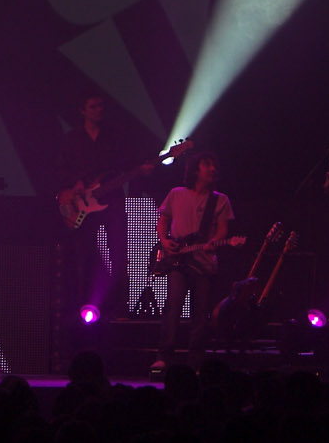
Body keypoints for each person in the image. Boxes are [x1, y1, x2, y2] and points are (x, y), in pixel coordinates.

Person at [55, 93, 156, 328]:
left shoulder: (114, 137)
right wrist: (76, 182)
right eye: (93, 106)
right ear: (82, 110)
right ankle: (81, 306)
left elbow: (128, 165)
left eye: (101, 106)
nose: (99, 109)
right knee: (85, 254)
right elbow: (59, 169)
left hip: (113, 199)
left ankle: (117, 307)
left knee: (119, 253)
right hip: (83, 203)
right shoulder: (72, 139)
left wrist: (142, 170)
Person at [153, 151, 233, 367]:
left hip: (203, 263)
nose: (212, 169)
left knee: (200, 312)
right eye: (207, 164)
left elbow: (223, 230)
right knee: (173, 306)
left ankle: (196, 359)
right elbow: (163, 220)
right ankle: (164, 356)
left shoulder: (220, 200)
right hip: (177, 261)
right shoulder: (176, 194)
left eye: (214, 165)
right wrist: (164, 240)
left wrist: (214, 242)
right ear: (195, 169)